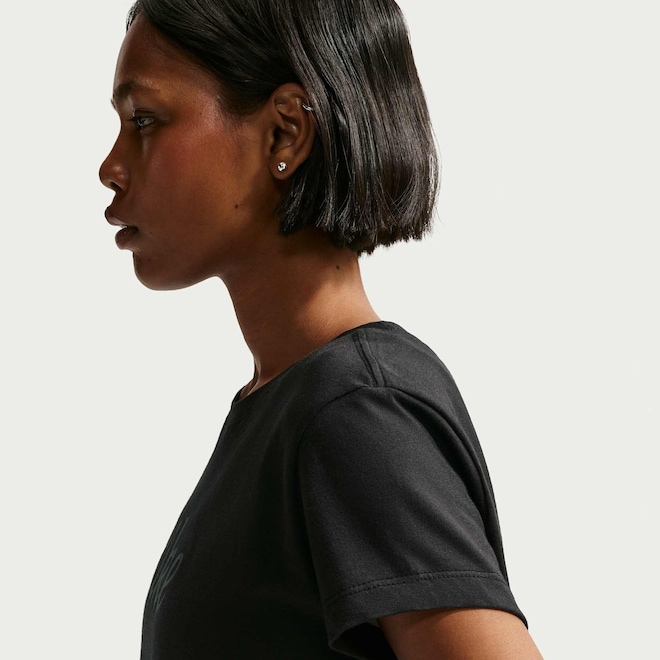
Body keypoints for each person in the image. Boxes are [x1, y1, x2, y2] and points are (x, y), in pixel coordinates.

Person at [99, 0, 543, 657]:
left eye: (144, 120)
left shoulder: (358, 412)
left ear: (284, 135)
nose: (110, 166)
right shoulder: (292, 403)